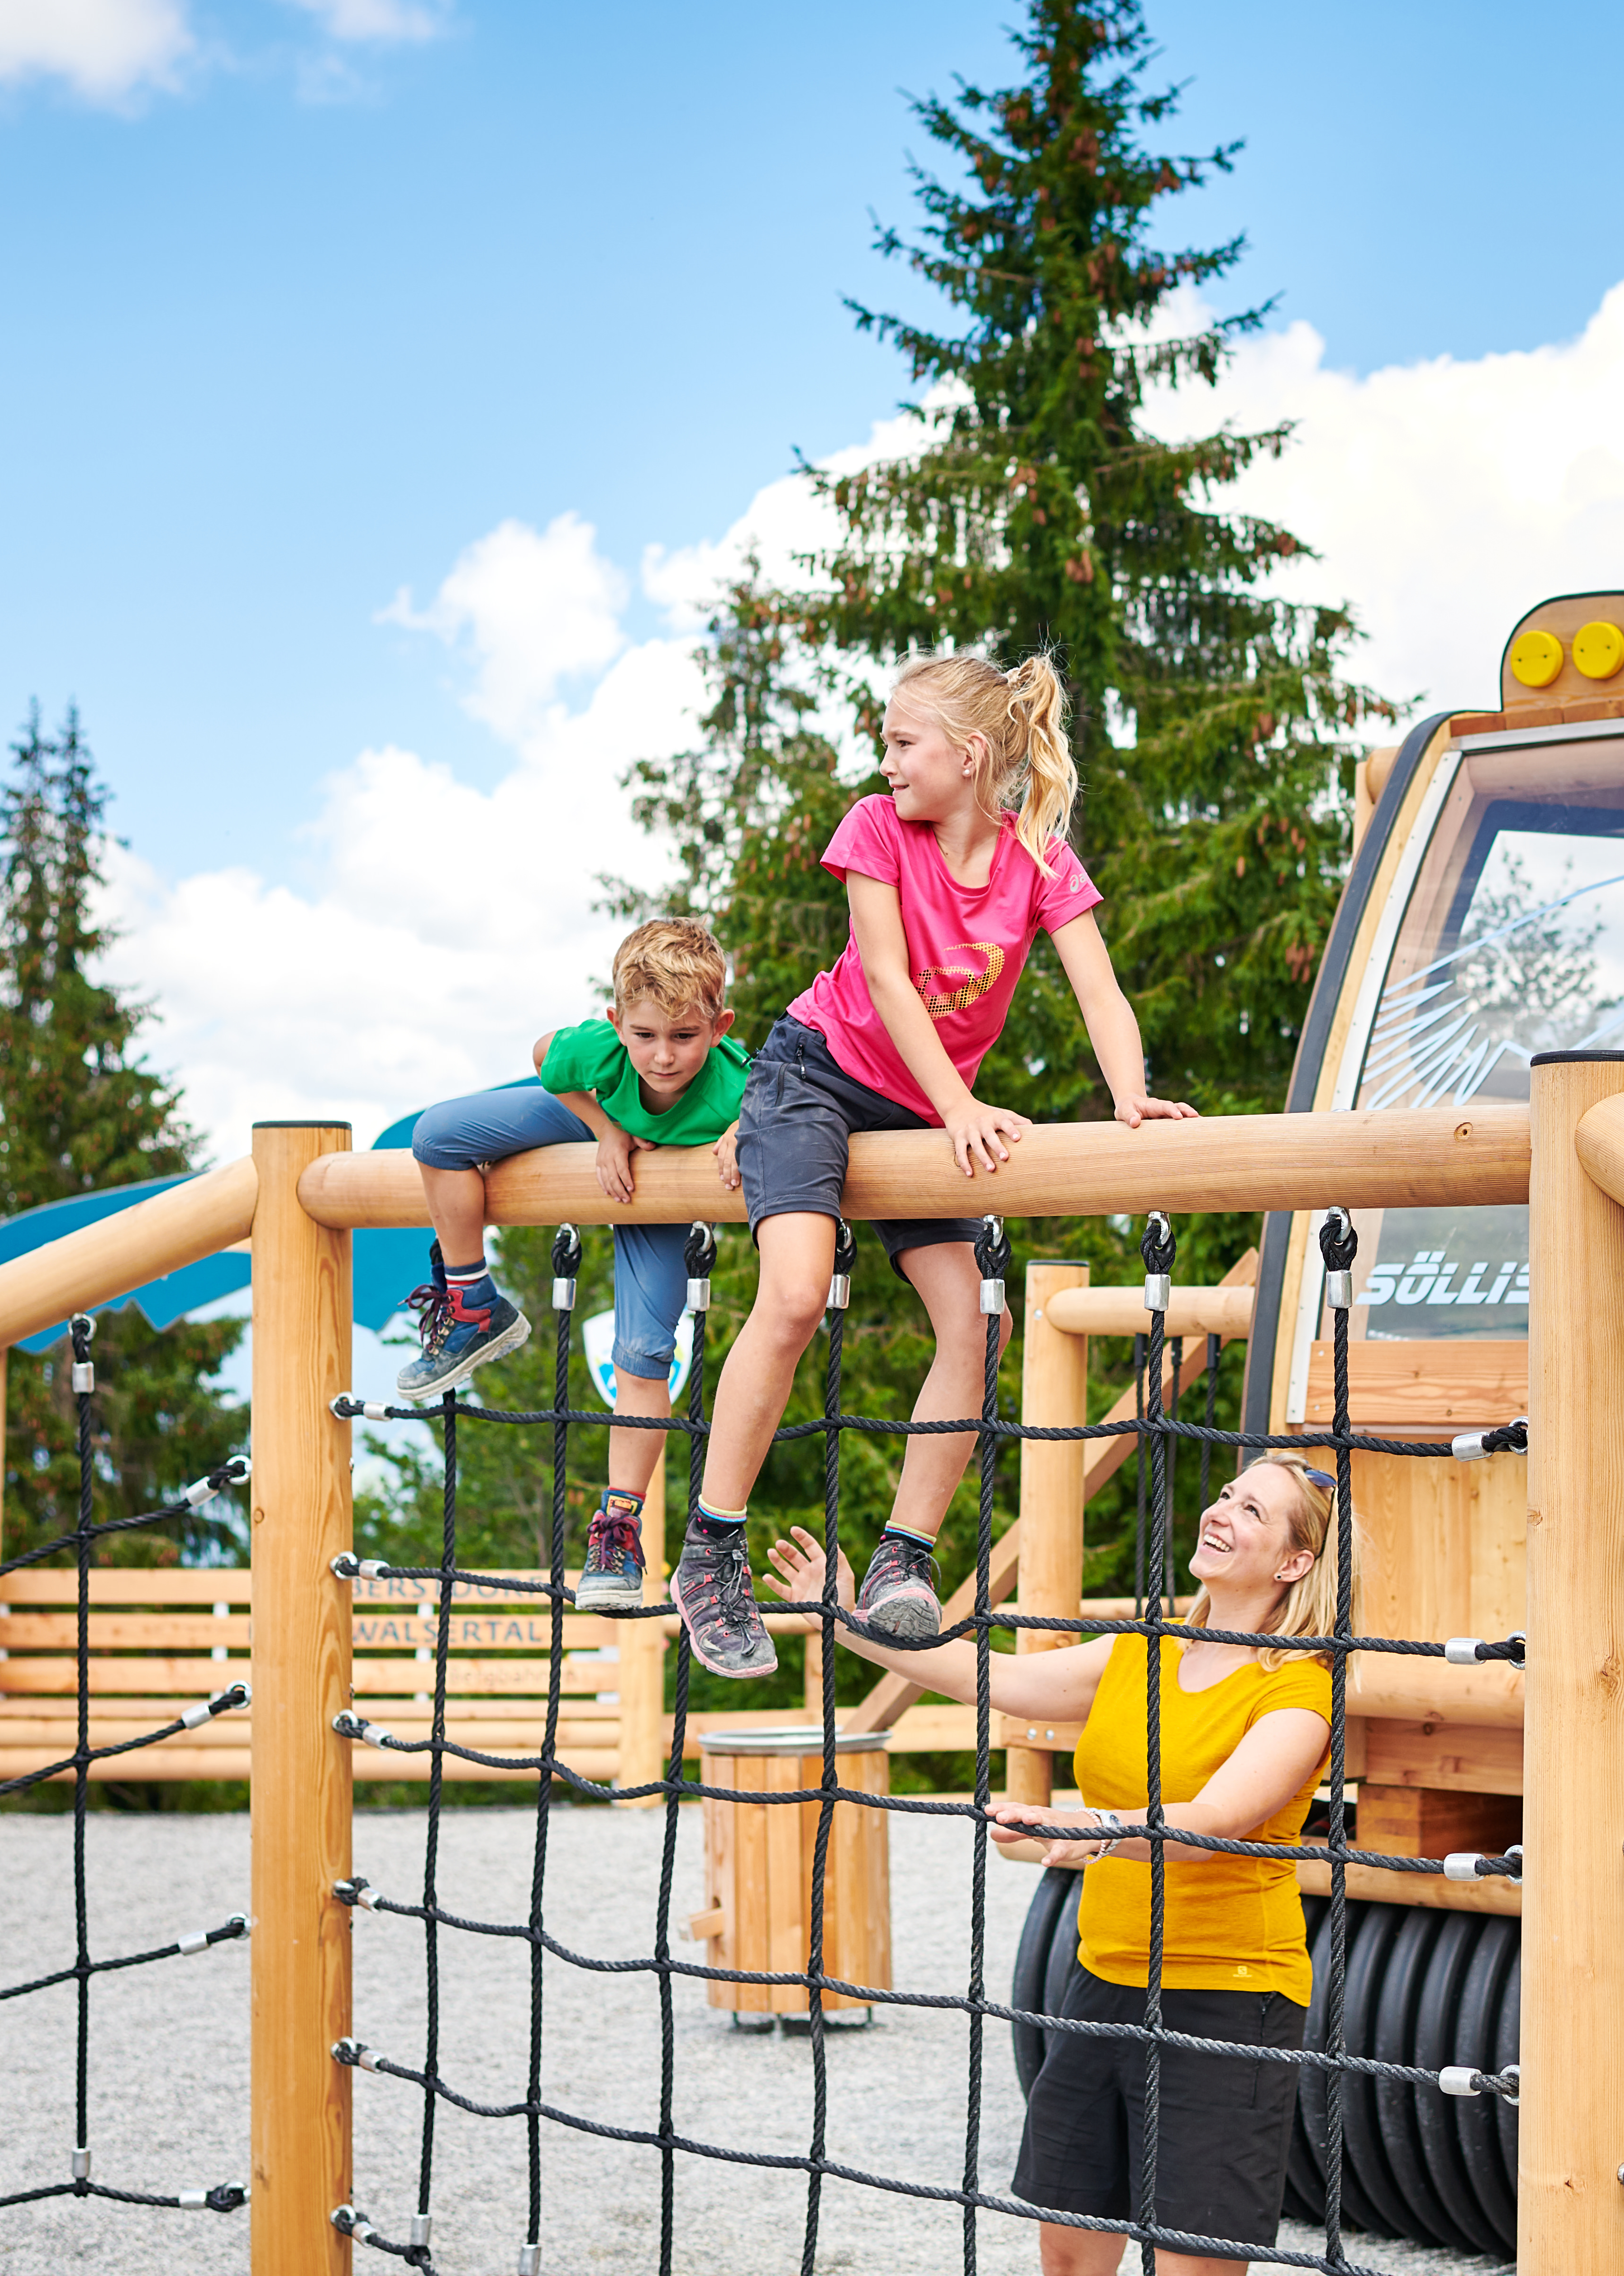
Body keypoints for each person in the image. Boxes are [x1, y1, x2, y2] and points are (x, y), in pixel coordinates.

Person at [667, 651, 1196, 1679]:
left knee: (976, 1318)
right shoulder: (876, 826)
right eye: (889, 743)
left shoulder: (1039, 856)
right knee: (793, 1293)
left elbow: (1099, 986)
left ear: (970, 752)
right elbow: (886, 978)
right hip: (817, 1076)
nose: (889, 759)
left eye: (904, 742)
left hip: (920, 1106)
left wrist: (1131, 1093)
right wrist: (960, 1105)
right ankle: (710, 1549)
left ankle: (901, 1561)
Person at [763, 1454, 1351, 2275]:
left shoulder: (1299, 1692)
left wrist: (1091, 1827)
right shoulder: (1136, 1654)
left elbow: (1215, 1820)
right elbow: (989, 1678)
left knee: (1190, 2266)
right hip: (1100, 1984)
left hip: (1230, 2000)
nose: (1221, 1512)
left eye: (1252, 1511)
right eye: (1224, 1494)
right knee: (1069, 2258)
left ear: (1295, 1562)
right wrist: (844, 1620)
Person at [398, 917, 753, 1611]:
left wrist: (745, 1133)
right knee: (437, 1136)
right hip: (600, 1123)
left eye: (685, 1038)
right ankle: (474, 1306)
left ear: (719, 1028)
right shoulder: (602, 1052)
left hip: (666, 1186)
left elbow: (780, 1100)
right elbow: (543, 1056)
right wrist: (607, 1132)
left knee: (644, 1352)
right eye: (645, 1035)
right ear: (617, 1023)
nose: (663, 1057)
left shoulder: (738, 1086)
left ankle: (619, 1529)